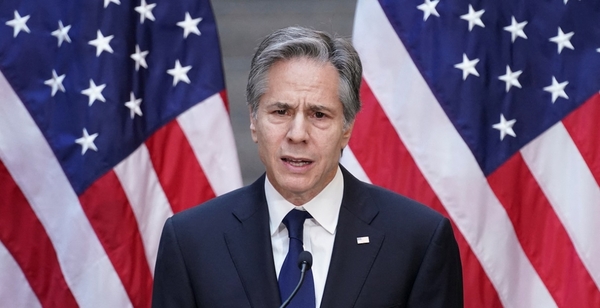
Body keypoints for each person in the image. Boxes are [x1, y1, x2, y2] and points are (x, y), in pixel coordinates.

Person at [152, 26, 463, 308]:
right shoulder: (191, 241)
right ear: (254, 120)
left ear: (347, 127)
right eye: (280, 111)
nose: (297, 134)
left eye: (319, 115)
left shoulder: (417, 240)